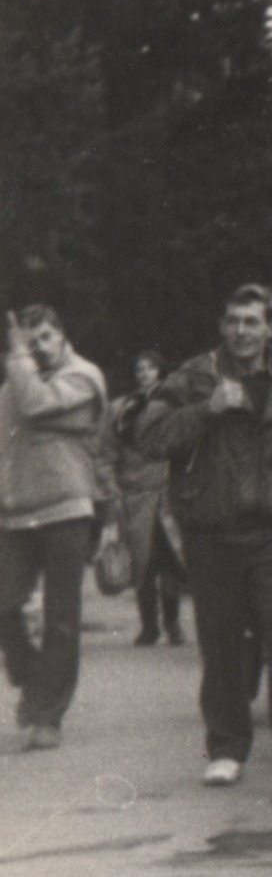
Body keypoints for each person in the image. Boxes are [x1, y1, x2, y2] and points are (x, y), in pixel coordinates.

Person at [137, 285, 272, 796]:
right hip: (213, 529)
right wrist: (207, 409)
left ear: (271, 328)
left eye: (252, 322)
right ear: (223, 326)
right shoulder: (195, 376)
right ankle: (226, 748)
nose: (242, 332)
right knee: (222, 642)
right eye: (233, 322)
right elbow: (149, 437)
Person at [0, 306, 115, 750]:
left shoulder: (84, 377)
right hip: (15, 514)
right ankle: (33, 678)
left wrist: (16, 356)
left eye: (45, 337)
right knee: (5, 604)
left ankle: (48, 715)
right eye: (29, 341)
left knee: (61, 619)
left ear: (62, 335)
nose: (38, 347)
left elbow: (34, 405)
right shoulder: (16, 384)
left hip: (66, 510)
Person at [111, 351, 183, 647]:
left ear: (160, 372)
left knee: (171, 562)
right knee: (143, 563)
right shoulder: (124, 407)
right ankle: (149, 627)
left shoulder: (170, 405)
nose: (144, 374)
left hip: (166, 494)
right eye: (139, 369)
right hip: (136, 494)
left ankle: (173, 624)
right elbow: (111, 446)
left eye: (150, 368)